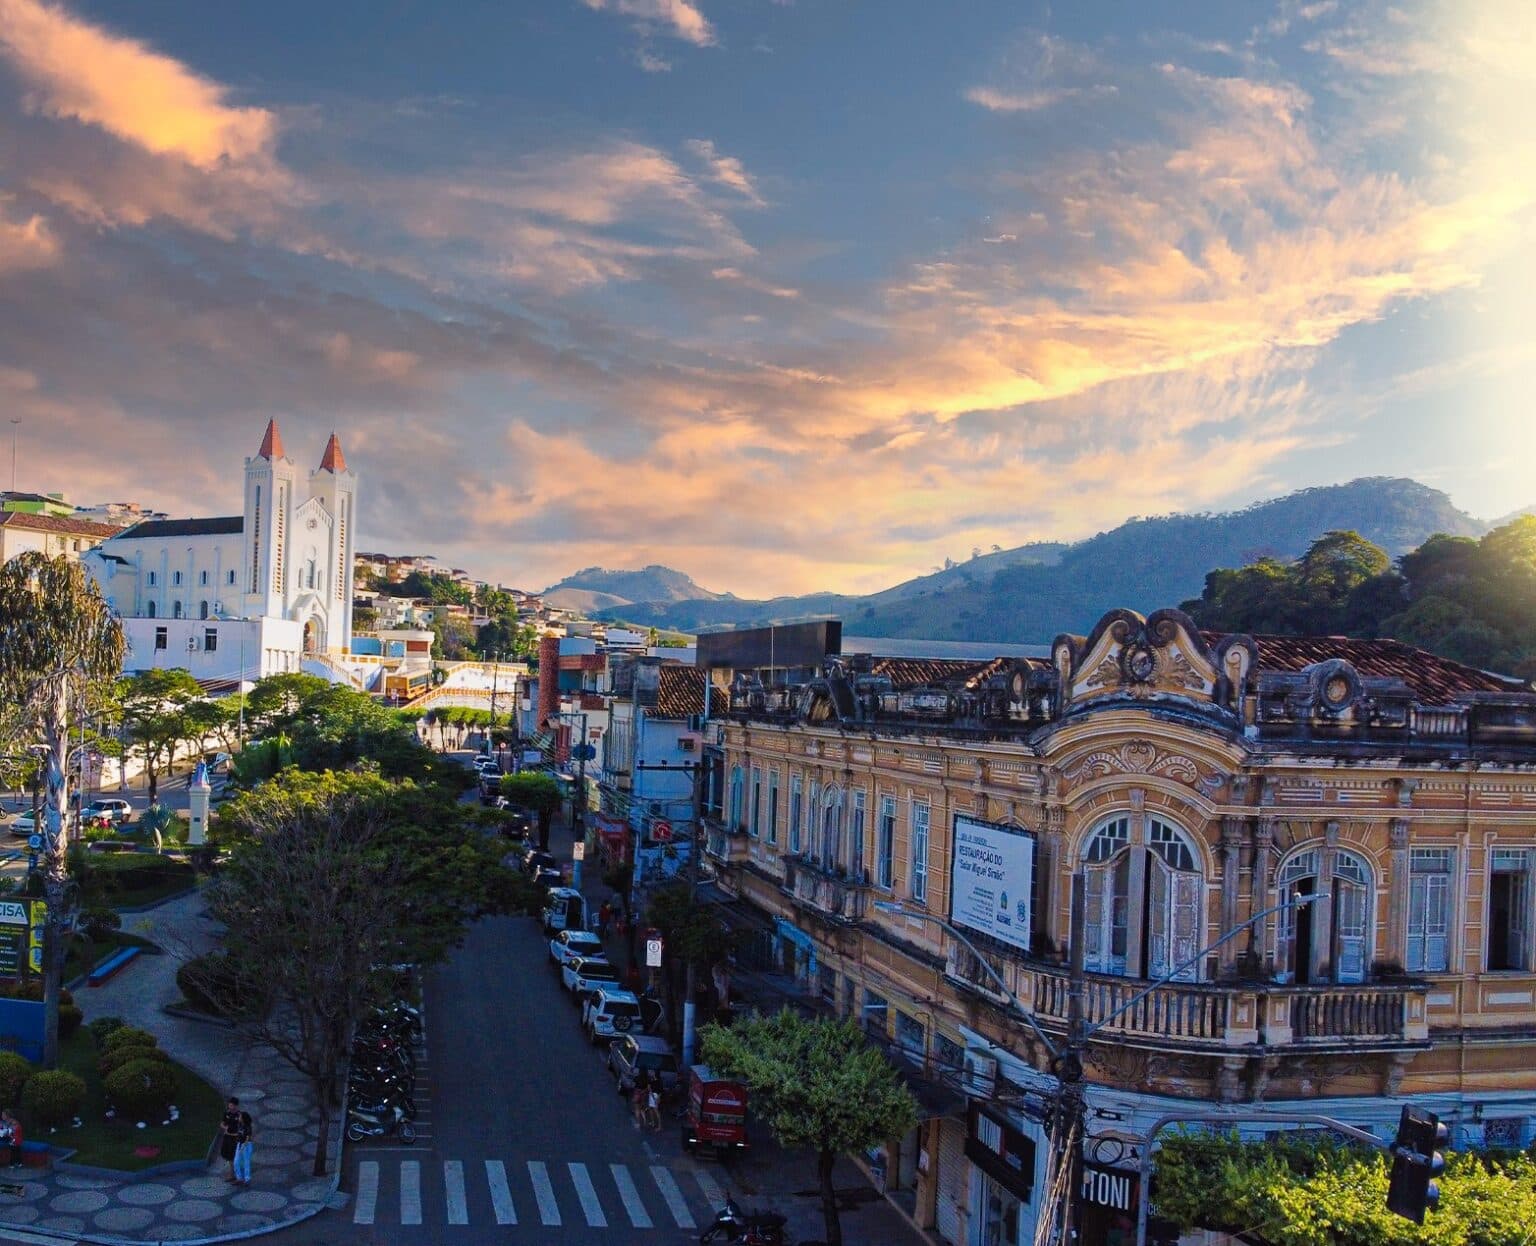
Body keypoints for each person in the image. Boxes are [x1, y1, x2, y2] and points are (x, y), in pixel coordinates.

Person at [219, 1097, 241, 1181]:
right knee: (228, 1156)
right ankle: (232, 1174)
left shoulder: (239, 1115)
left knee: (234, 1156)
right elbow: (222, 1123)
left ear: (235, 1106)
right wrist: (225, 1128)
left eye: (231, 1105)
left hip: (235, 1138)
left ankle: (235, 1175)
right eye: (229, 1104)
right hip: (227, 1137)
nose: (229, 1106)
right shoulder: (227, 1113)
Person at [233, 1105, 254, 1186]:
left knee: (246, 1162)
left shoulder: (248, 1127)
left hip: (246, 1145)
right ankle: (239, 1178)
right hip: (240, 1144)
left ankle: (247, 1179)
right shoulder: (240, 1125)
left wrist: (242, 1147)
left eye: (240, 1116)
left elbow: (247, 1138)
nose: (239, 1117)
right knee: (236, 1161)